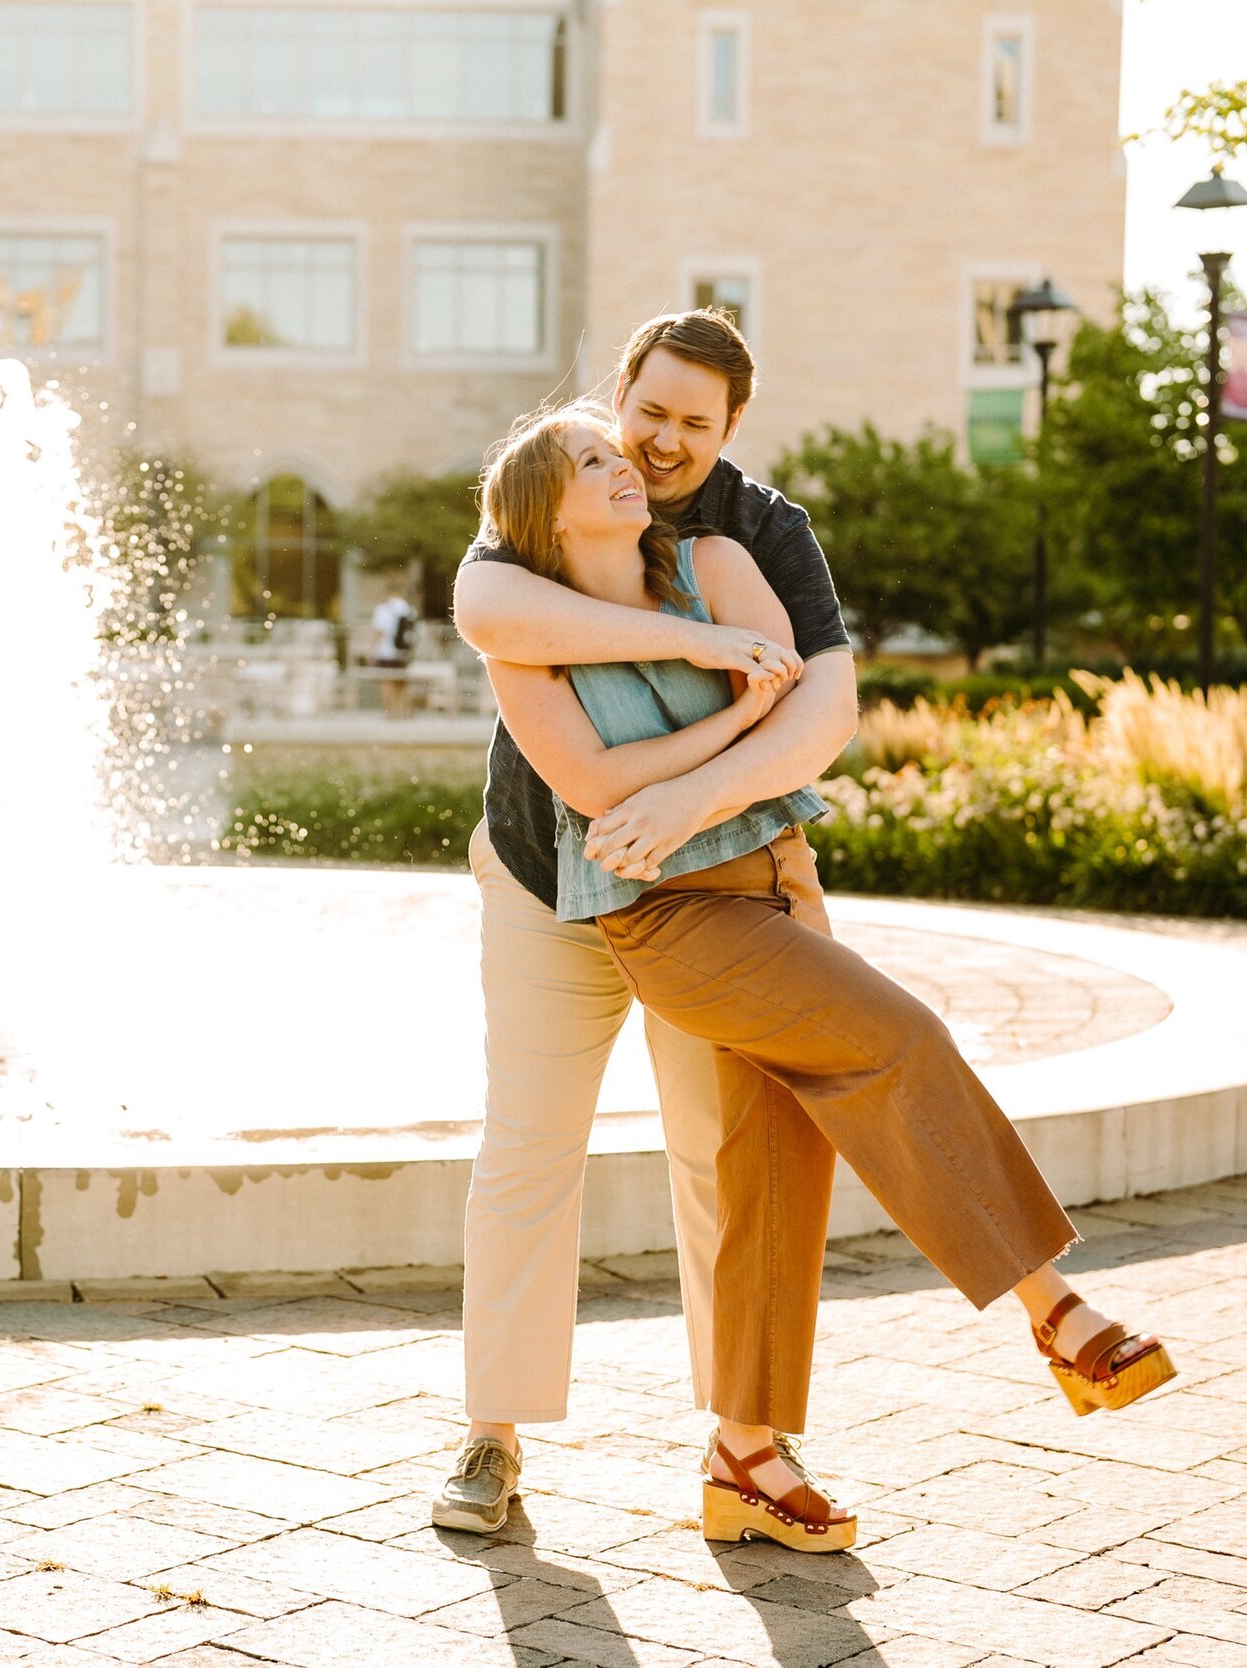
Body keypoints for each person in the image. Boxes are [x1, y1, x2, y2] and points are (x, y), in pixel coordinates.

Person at [444, 400, 1175, 1554]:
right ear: (548, 505)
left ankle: (746, 1453)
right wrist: (710, 696)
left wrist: (701, 751)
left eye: (677, 424)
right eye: (603, 448)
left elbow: (795, 694)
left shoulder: (726, 553)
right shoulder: (518, 618)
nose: (635, 454)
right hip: (649, 909)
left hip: (768, 882)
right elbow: (591, 782)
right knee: (895, 1039)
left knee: (768, 1149)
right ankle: (1054, 1309)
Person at [438, 310, 848, 1537]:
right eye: (649, 411)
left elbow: (821, 707)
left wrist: (688, 802)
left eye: (693, 425)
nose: (661, 443)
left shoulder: (761, 529)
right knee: (528, 1149)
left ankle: (744, 1446)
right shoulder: (555, 487)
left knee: (720, 1151)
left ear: (730, 430)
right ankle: (491, 1436)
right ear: (622, 391)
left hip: (697, 888)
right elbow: (490, 610)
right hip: (541, 880)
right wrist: (695, 645)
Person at [369, 582, 419, 719]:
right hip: (403, 653)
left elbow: (378, 632)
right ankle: (403, 712)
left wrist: (371, 651)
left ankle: (389, 713)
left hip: (386, 652)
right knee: (402, 684)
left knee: (387, 683)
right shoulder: (409, 609)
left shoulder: (383, 609)